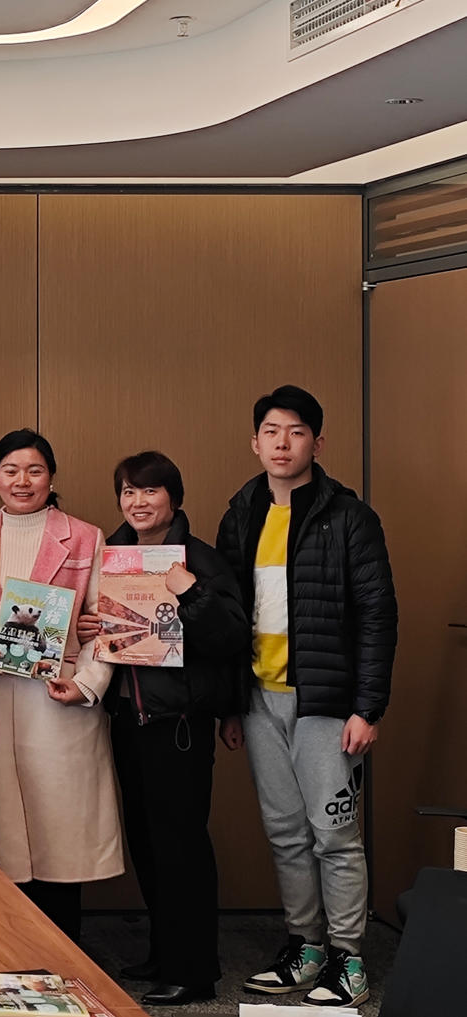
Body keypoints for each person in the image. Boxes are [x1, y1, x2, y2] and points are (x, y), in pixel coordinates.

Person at [215, 386, 396, 1008]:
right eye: (271, 431)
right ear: (255, 442)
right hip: (259, 699)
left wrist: (367, 707)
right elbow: (230, 617)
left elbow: (377, 615)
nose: (282, 443)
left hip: (326, 702)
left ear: (317, 442)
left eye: (296, 432)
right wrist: (230, 704)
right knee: (286, 833)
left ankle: (348, 958)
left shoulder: (349, 517)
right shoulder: (241, 514)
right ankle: (306, 945)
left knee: (334, 835)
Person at [105, 452, 249, 1008]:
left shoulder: (201, 559)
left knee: (181, 844)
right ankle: (165, 953)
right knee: (146, 841)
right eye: (128, 491)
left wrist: (190, 591)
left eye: (150, 491)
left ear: (174, 497)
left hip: (178, 722)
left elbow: (232, 635)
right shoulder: (113, 557)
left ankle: (194, 969)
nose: (138, 502)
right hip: (128, 717)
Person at [0, 429, 121, 941]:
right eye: (10, 470)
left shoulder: (86, 536)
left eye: (34, 470)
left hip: (60, 700)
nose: (22, 480)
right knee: (2, 832)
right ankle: (12, 949)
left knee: (61, 833)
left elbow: (108, 621)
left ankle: (66, 953)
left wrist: (90, 683)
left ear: (51, 478)